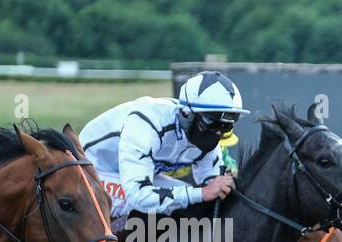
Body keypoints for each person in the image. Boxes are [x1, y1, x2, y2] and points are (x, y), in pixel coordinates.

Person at [79, 70, 247, 231]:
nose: (218, 132)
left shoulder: (205, 134)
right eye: (213, 123)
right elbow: (138, 196)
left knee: (190, 203)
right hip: (90, 171)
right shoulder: (147, 124)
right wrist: (201, 193)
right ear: (186, 114)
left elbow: (213, 187)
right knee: (165, 204)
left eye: (226, 126)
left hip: (130, 177)